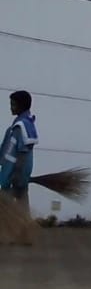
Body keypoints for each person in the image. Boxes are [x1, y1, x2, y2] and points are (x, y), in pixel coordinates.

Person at [1, 90, 38, 246]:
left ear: (21, 106)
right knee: (22, 205)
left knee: (5, 205)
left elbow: (16, 154)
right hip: (20, 174)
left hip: (13, 174)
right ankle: (25, 236)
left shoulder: (20, 127)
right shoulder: (26, 124)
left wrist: (12, 176)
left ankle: (8, 235)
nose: (11, 107)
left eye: (13, 104)